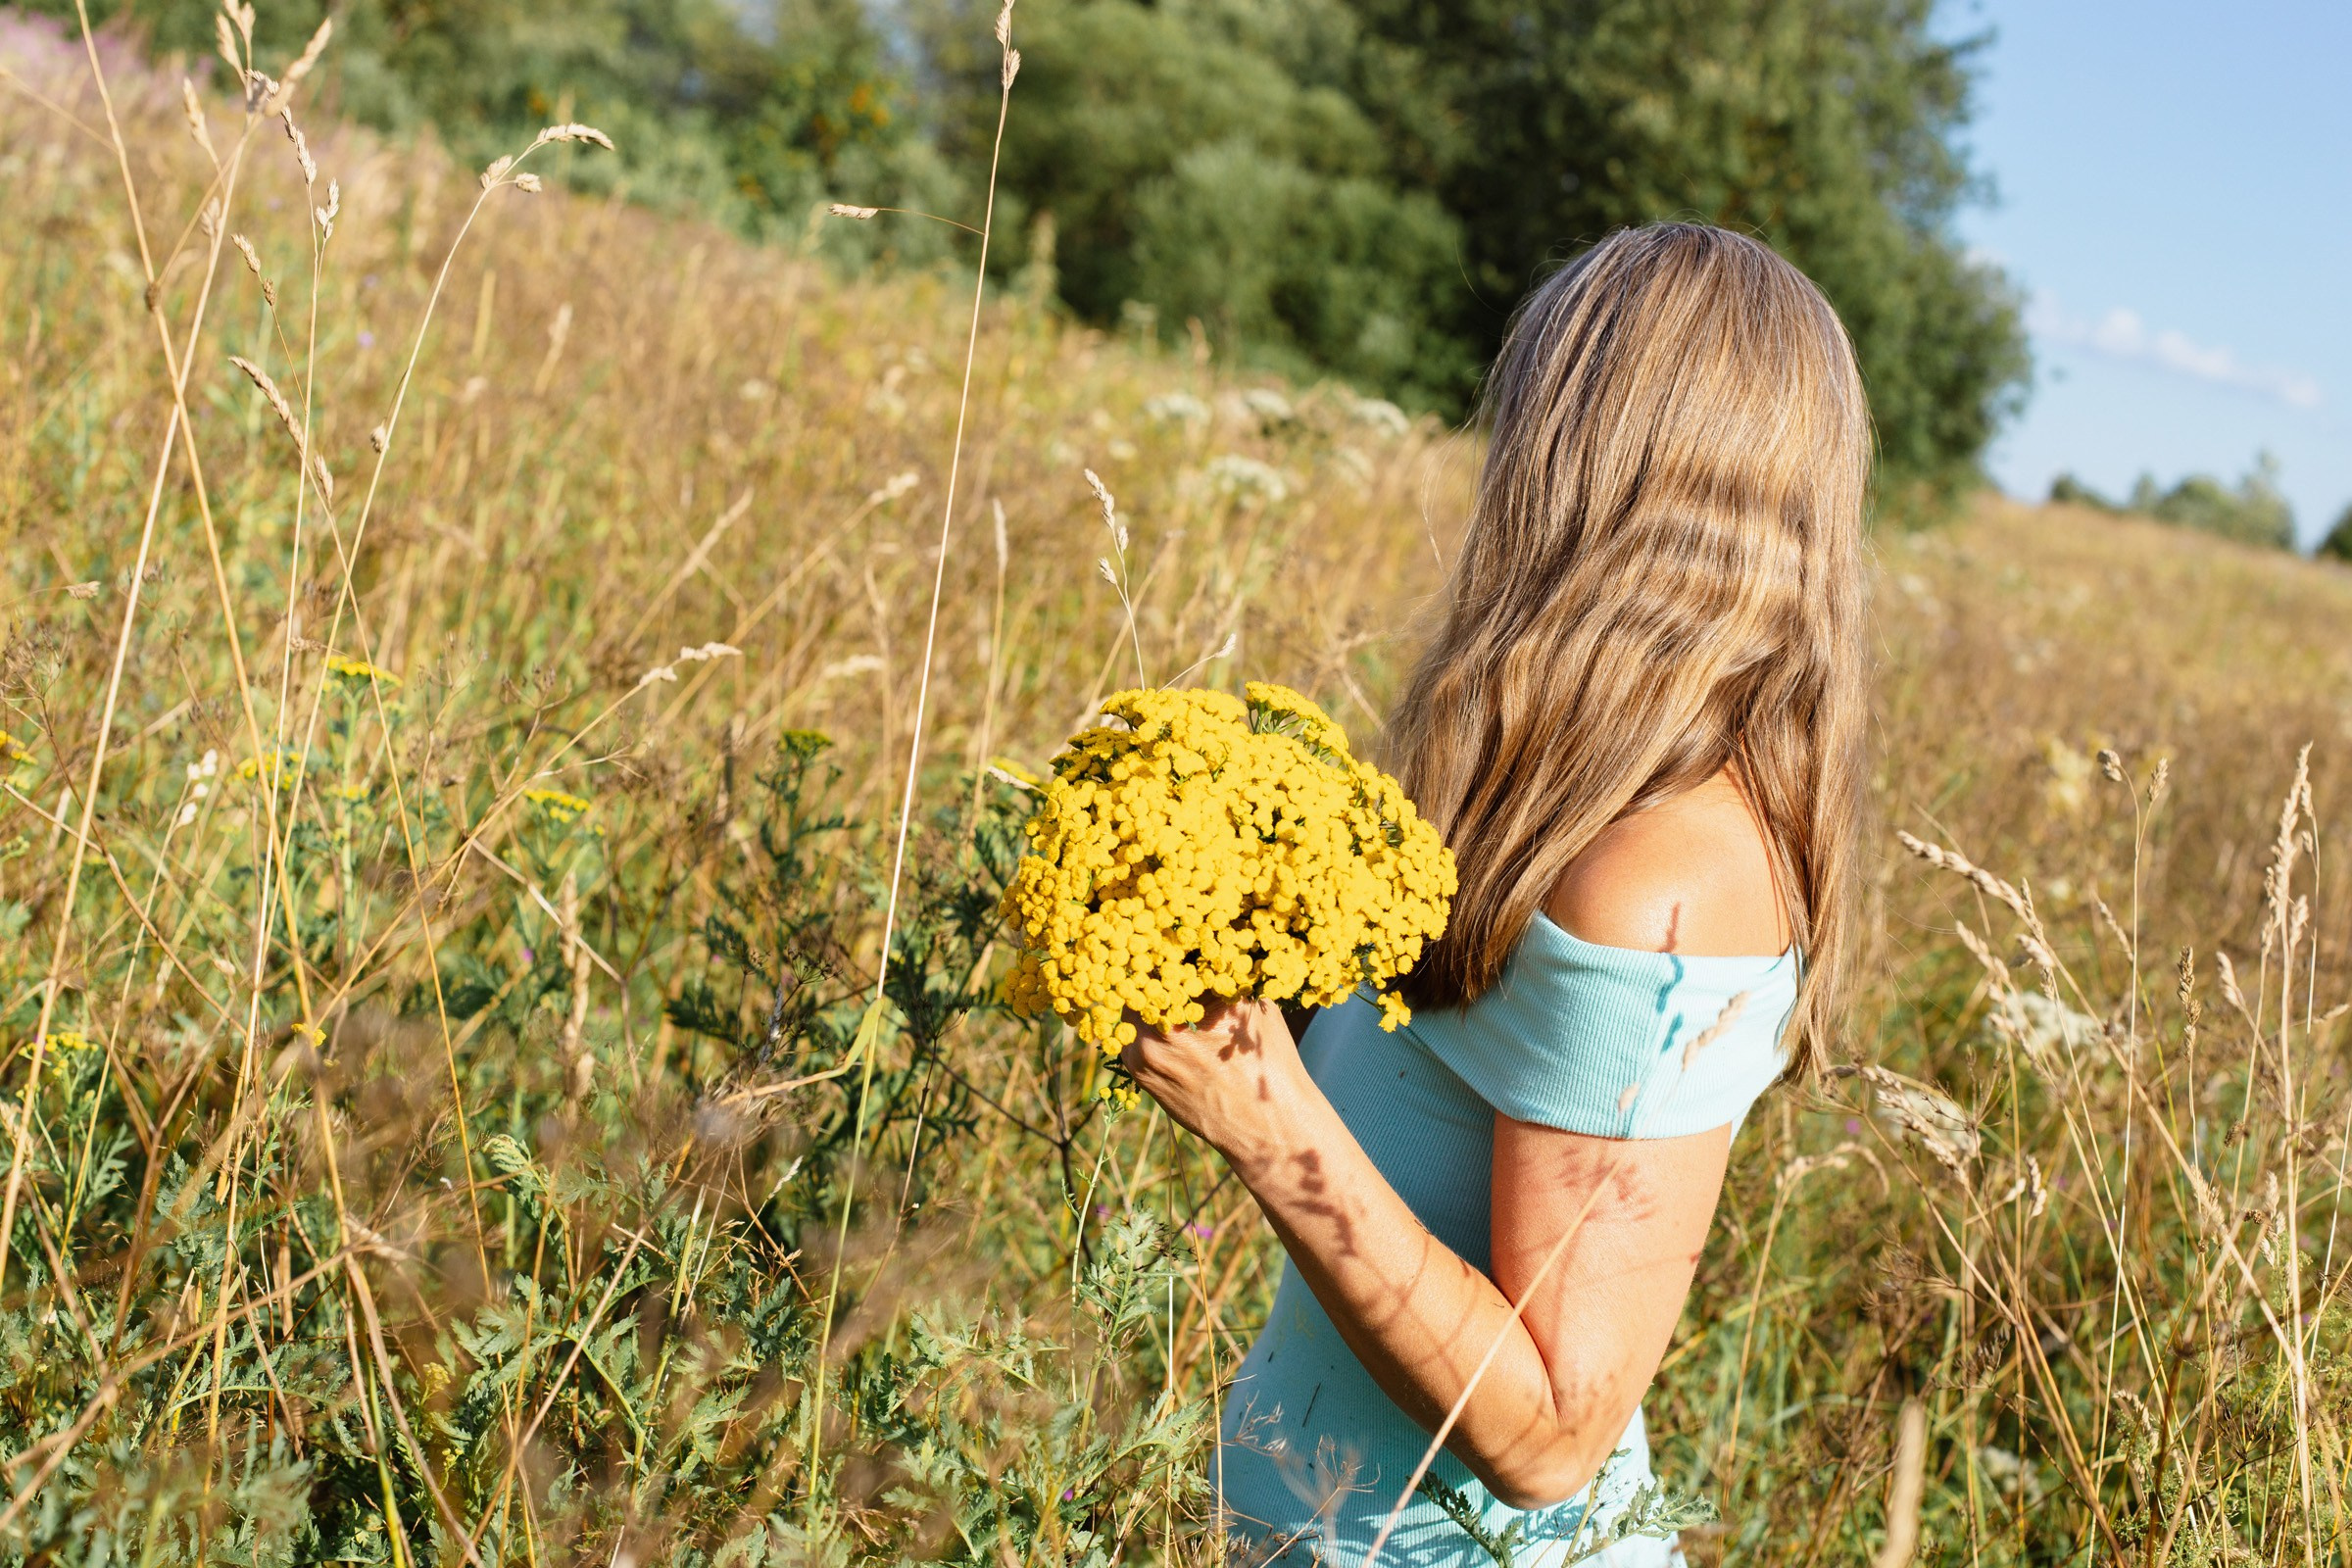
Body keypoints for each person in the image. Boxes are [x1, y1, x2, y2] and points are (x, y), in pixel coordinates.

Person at [1121, 221, 1870, 1565]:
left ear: (1589, 466)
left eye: (1530, 413)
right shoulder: (1533, 800)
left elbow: (1551, 1436)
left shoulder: (1663, 876)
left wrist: (1257, 1111)